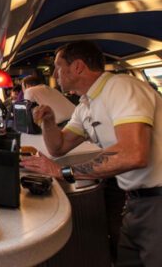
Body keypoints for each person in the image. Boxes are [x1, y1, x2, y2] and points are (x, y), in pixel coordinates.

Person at [20, 41, 162, 266]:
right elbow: (59, 147)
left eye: (58, 67)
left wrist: (63, 171)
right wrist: (48, 122)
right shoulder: (85, 106)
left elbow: (134, 153)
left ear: (77, 67)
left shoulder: (121, 87)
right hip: (134, 202)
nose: (55, 74)